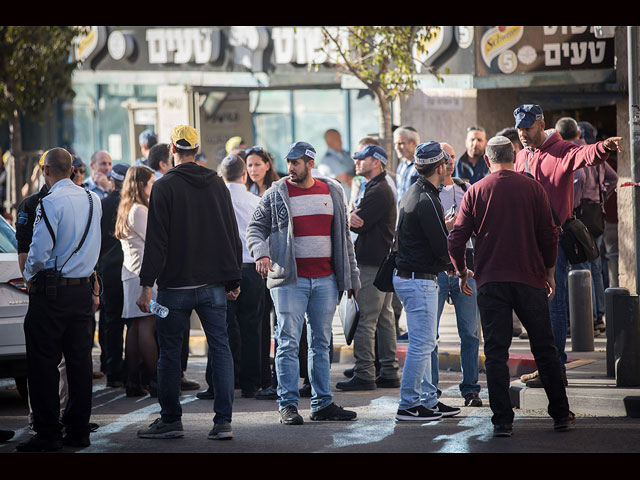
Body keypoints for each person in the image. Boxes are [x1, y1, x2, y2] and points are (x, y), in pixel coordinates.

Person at [448, 135, 574, 436]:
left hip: (491, 281)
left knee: (495, 353)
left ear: (488, 160)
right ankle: (560, 413)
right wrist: (549, 271)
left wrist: (463, 271)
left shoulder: (476, 191)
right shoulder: (533, 188)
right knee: (544, 348)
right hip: (530, 279)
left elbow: (456, 238)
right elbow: (549, 234)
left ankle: (502, 420)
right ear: (514, 156)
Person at [135, 125, 242, 441]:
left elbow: (157, 241)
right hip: (212, 287)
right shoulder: (218, 184)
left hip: (174, 290)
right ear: (196, 149)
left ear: (172, 148)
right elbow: (230, 232)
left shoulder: (164, 186)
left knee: (170, 352)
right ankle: (223, 422)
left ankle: (171, 420)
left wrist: (146, 285)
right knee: (220, 349)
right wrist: (233, 277)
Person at [246, 141, 360, 426]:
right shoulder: (276, 192)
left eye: (296, 162)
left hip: (326, 280)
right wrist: (261, 252)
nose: (291, 168)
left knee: (321, 343)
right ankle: (288, 405)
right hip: (289, 281)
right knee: (286, 342)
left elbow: (345, 239)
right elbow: (255, 228)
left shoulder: (332, 190)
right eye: (288, 162)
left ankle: (322, 403)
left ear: (310, 163)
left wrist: (352, 278)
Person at [512, 104, 623, 388]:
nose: (524, 133)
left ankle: (556, 368)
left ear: (541, 124)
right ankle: (547, 366)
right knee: (535, 308)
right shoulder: (522, 155)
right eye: (520, 128)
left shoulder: (561, 150)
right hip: (527, 242)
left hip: (555, 241)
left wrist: (603, 147)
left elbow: (584, 155)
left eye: (528, 127)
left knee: (554, 305)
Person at [17, 147, 102, 452]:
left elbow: (38, 252)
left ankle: (48, 432)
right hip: (81, 291)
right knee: (79, 364)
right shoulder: (94, 199)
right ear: (72, 170)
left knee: (43, 365)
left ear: (47, 171)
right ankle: (78, 430)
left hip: (51, 293)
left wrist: (29, 274)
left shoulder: (49, 202)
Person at [392, 141, 461, 422]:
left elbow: (427, 237)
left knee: (426, 343)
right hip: (418, 280)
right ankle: (408, 405)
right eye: (446, 162)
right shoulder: (427, 198)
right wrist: (458, 267)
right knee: (422, 344)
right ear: (440, 167)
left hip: (414, 277)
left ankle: (428, 400)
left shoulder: (418, 192)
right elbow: (440, 247)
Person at [335, 144, 399, 392]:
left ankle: (365, 373)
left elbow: (358, 225)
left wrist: (351, 216)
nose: (357, 162)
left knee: (366, 321)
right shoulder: (374, 186)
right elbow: (355, 219)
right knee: (384, 319)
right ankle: (389, 371)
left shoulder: (378, 190)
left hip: (372, 265)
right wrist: (352, 215)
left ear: (377, 162)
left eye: (362, 158)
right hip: (380, 263)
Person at [432, 142, 483, 407]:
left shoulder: (467, 189)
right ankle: (431, 391)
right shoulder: (427, 192)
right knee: (431, 334)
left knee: (470, 333)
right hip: (438, 270)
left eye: (452, 157)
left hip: (467, 268)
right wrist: (446, 225)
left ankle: (471, 390)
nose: (450, 161)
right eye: (445, 157)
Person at [558, 117, 618, 335]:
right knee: (595, 267)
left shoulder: (570, 153)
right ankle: (598, 316)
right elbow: (613, 178)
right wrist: (601, 197)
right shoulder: (594, 153)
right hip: (596, 216)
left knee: (580, 268)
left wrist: (571, 204)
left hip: (579, 217)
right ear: (579, 134)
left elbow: (578, 178)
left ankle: (587, 319)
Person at [212, 155, 265, 398]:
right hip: (252, 269)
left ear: (221, 176)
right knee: (251, 327)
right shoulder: (257, 201)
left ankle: (220, 382)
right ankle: (250, 383)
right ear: (244, 176)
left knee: (221, 328)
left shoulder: (213, 201)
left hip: (222, 270)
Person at [115, 165, 159, 398]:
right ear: (141, 184)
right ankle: (156, 378)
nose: (153, 186)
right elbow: (154, 240)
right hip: (142, 276)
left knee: (134, 327)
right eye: (151, 182)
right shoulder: (140, 210)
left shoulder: (127, 208)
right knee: (146, 326)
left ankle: (132, 380)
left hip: (130, 274)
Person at [97, 164, 130, 389]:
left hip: (108, 270)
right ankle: (137, 373)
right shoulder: (134, 204)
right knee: (137, 322)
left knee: (112, 322)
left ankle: (113, 371)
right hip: (131, 269)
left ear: (112, 180)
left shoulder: (104, 204)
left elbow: (96, 239)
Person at [317, 129, 355, 198]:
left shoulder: (345, 154)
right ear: (328, 142)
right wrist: (360, 178)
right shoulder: (328, 160)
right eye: (335, 139)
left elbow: (356, 170)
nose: (339, 141)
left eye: (339, 137)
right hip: (341, 202)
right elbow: (345, 179)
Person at [393, 126, 420, 203]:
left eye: (400, 143)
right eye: (395, 144)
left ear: (413, 143)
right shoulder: (402, 165)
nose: (396, 147)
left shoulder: (421, 165)